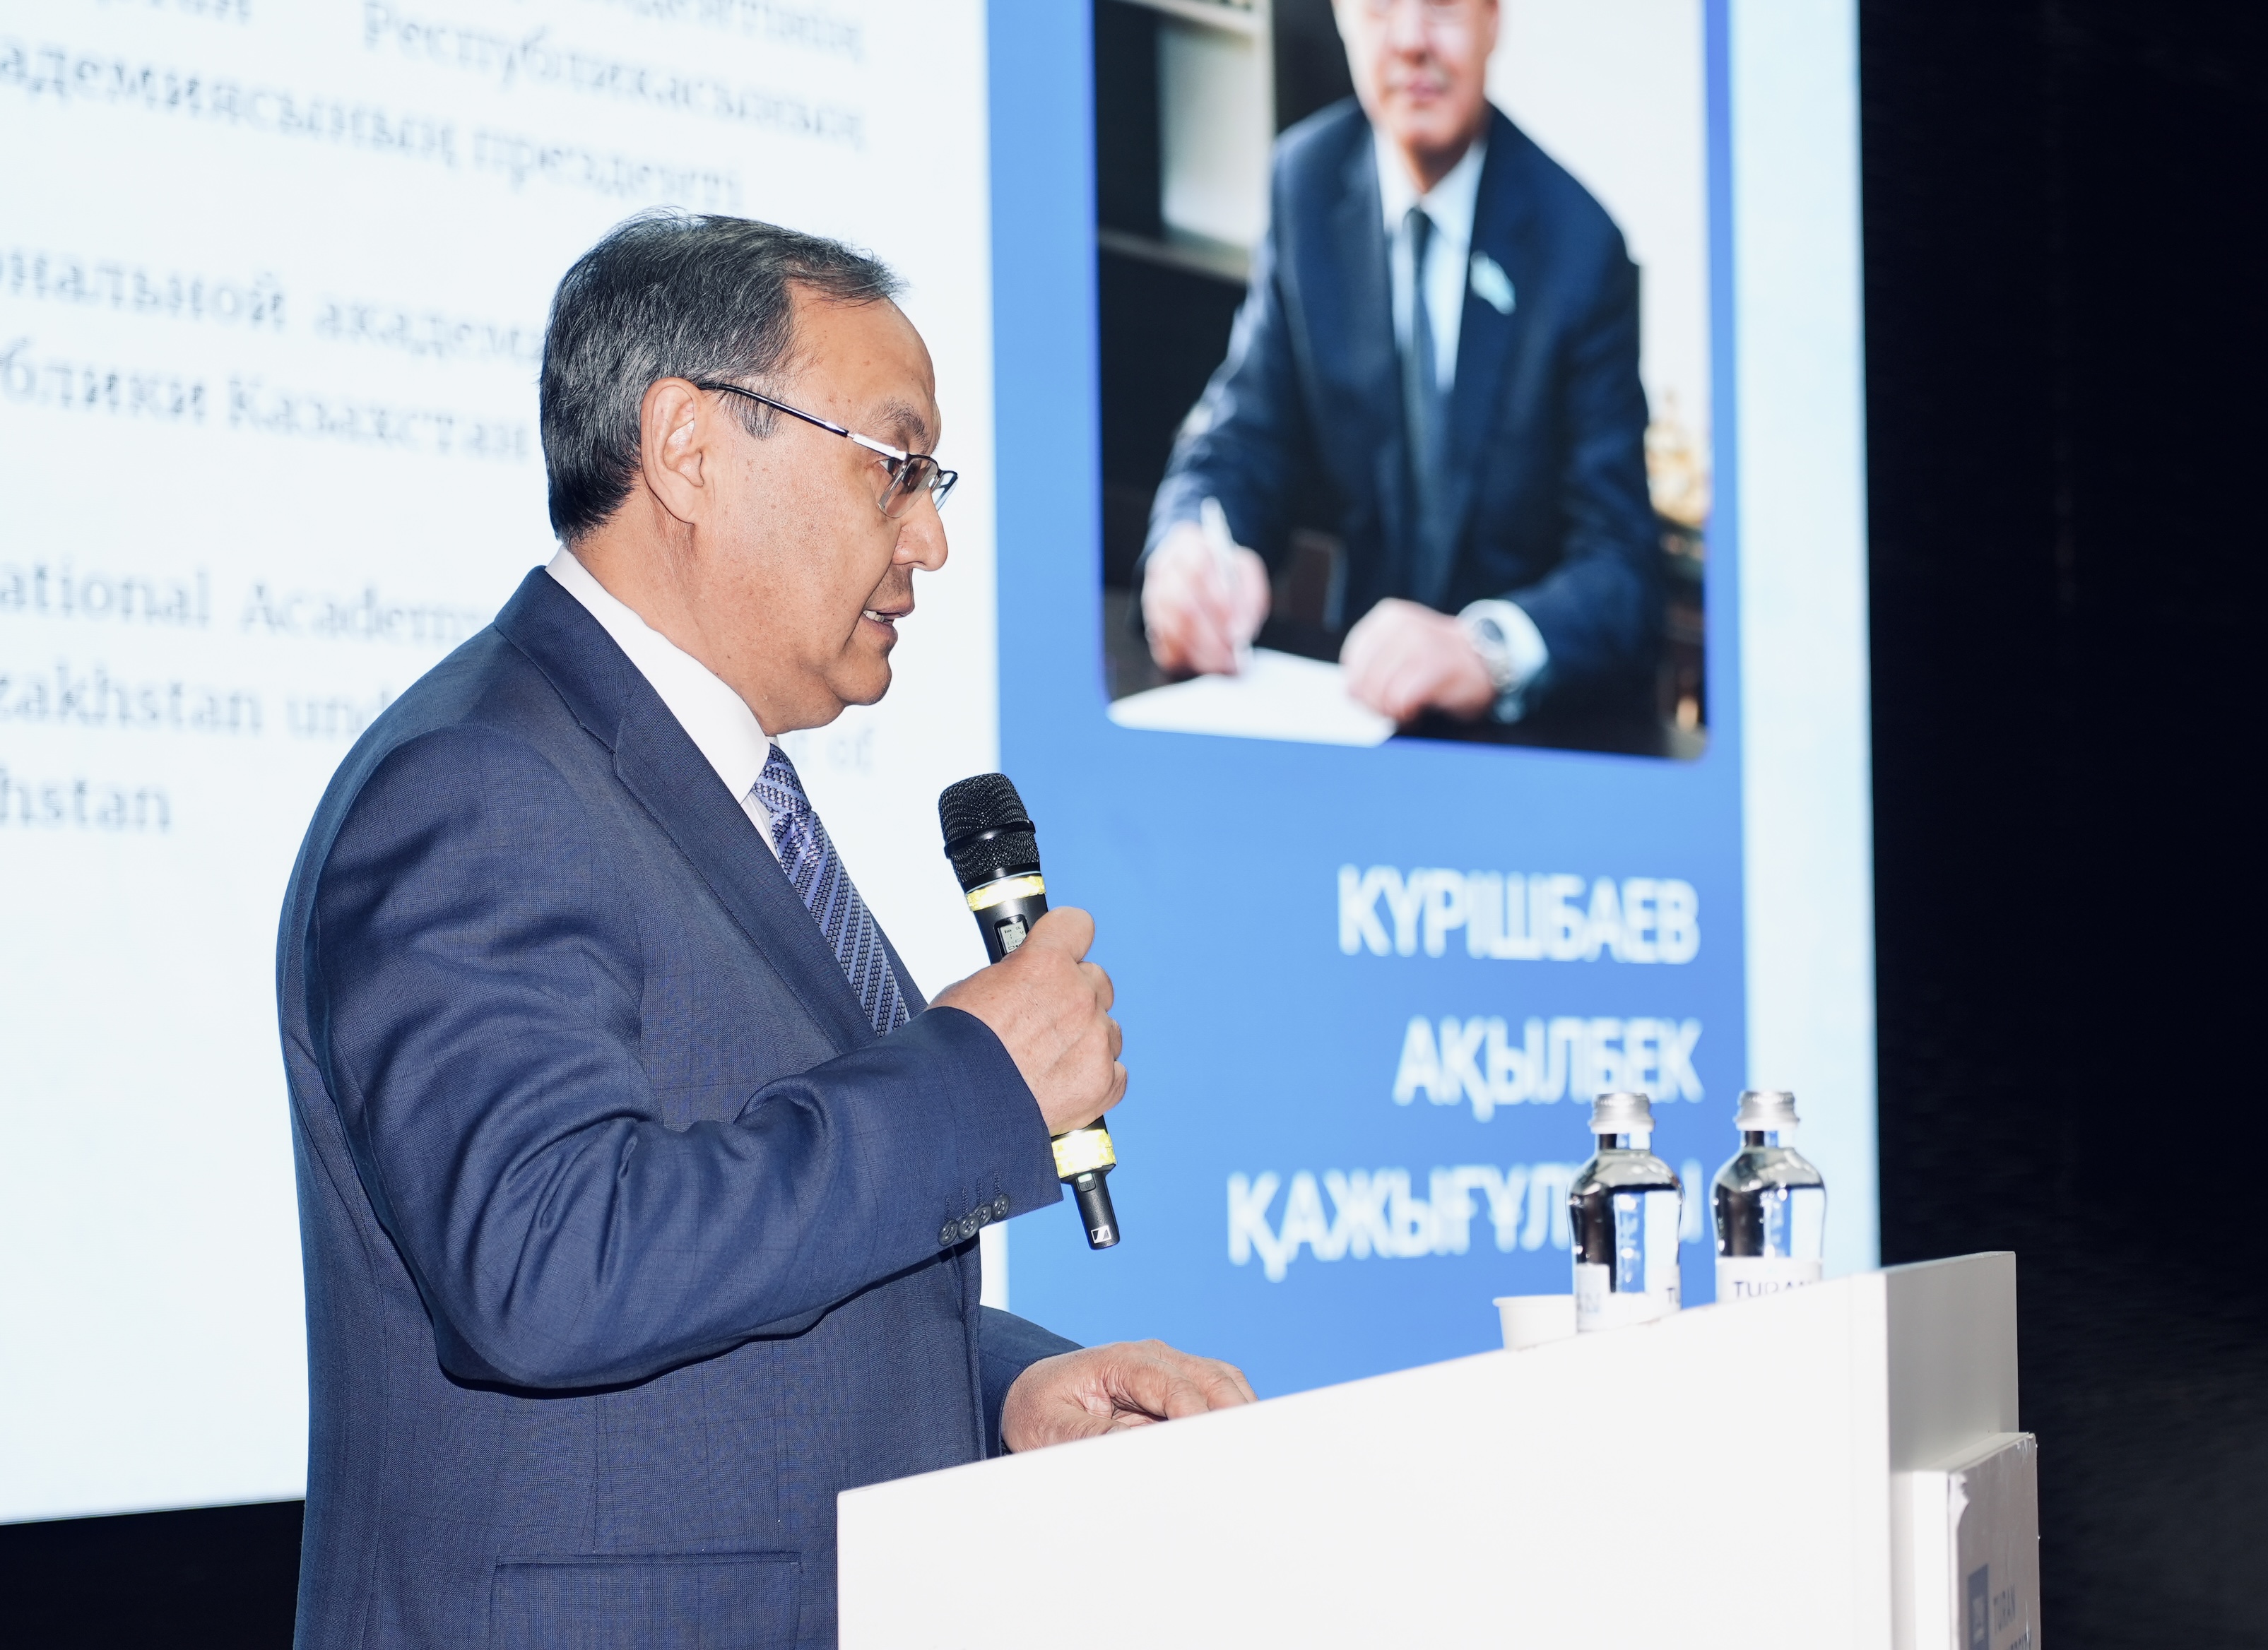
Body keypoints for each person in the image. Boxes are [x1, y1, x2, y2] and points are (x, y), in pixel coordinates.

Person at [276, 213, 1253, 1649]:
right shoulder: (483, 782)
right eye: (893, 463)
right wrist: (973, 1077)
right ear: (687, 449)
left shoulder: (712, 786)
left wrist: (1000, 1388)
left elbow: (741, 1285)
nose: (930, 537)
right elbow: (545, 1262)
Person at [1140, 0, 1661, 737]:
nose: (1412, 39)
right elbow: (1241, 444)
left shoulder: (1582, 248)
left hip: (1523, 742)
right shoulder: (1305, 185)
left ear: (1493, 19)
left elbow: (1622, 569)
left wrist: (1490, 648)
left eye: (1442, 5)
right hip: (1355, 711)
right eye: (1381, 5)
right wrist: (1192, 551)